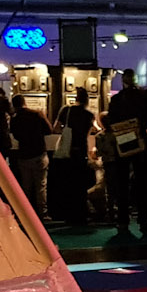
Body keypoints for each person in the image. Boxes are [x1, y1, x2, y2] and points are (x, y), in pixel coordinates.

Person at [103, 69, 147, 238]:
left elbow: (110, 121)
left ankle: (123, 220)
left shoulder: (117, 99)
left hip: (122, 142)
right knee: (141, 181)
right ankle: (143, 220)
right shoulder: (142, 98)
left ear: (123, 80)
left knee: (122, 182)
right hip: (139, 141)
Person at [51, 87, 97, 225]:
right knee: (80, 185)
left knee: (67, 184)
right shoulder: (89, 114)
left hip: (67, 152)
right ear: (87, 100)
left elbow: (56, 128)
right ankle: (81, 214)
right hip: (81, 151)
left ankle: (68, 215)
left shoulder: (66, 110)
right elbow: (88, 133)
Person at [7, 96, 51, 214]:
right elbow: (49, 130)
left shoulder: (15, 119)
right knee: (41, 186)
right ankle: (42, 212)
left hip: (24, 154)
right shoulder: (37, 114)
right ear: (24, 102)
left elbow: (15, 135)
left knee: (26, 186)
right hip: (39, 153)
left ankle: (26, 213)